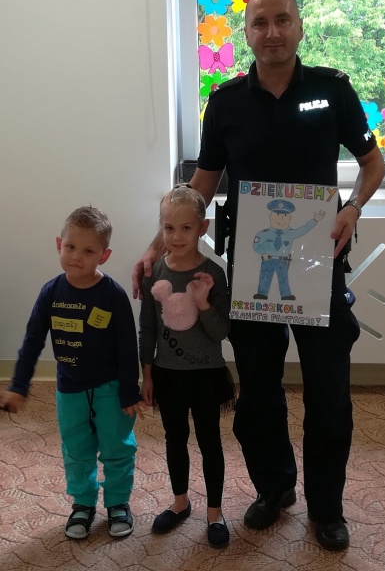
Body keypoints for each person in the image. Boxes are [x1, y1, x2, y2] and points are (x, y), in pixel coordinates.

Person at [132, 0, 385, 551]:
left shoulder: (333, 90)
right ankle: (275, 488)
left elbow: (373, 164)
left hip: (320, 268)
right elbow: (200, 186)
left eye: (282, 20)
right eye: (260, 23)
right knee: (257, 396)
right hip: (251, 272)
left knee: (329, 396)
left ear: (300, 26)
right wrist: (156, 248)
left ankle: (327, 508)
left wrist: (351, 207)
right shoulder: (225, 103)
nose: (272, 31)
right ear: (246, 33)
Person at [0, 206, 146, 540]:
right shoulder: (51, 292)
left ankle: (118, 503)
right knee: (76, 450)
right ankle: (82, 503)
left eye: (88, 251)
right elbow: (32, 341)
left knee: (117, 447)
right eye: (70, 247)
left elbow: (127, 346)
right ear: (59, 244)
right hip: (70, 391)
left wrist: (128, 391)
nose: (77, 256)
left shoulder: (113, 295)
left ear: (104, 256)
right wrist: (19, 385)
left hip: (111, 389)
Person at [139, 185, 234, 549]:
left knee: (210, 441)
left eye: (186, 228)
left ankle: (215, 512)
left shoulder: (214, 273)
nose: (176, 236)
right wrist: (147, 373)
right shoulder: (154, 273)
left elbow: (221, 331)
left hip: (206, 374)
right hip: (168, 374)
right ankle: (180, 502)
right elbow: (148, 328)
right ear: (161, 228)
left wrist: (203, 303)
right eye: (168, 228)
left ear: (202, 228)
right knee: (174, 437)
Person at [253, 199, 325, 300]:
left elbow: (304, 229)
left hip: (283, 260)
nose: (282, 219)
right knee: (265, 277)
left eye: (285, 216)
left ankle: (286, 295)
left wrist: (314, 220)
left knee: (283, 278)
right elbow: (256, 245)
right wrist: (263, 253)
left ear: (290, 218)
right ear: (270, 216)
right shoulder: (263, 234)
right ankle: (262, 293)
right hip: (268, 259)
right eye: (278, 215)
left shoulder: (290, 233)